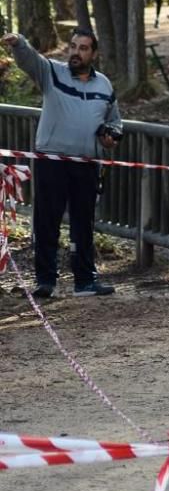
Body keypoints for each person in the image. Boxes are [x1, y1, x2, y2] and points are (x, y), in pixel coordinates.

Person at [1, 28, 122, 299]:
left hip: (87, 163)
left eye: (83, 48)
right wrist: (19, 43)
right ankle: (46, 281)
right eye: (73, 46)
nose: (76, 52)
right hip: (51, 161)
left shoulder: (104, 85)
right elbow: (30, 60)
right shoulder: (52, 73)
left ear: (94, 53)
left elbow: (115, 120)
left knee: (83, 223)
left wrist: (111, 135)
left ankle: (85, 281)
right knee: (47, 221)